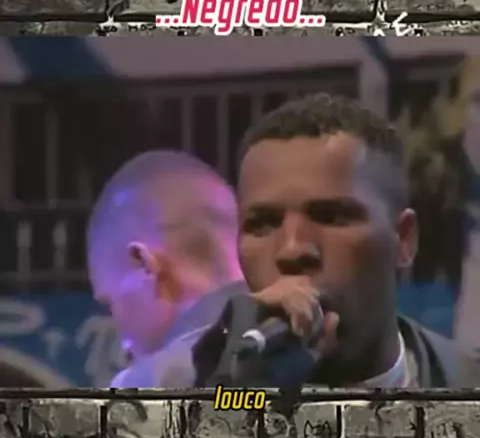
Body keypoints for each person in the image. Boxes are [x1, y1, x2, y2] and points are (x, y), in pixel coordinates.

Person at [147, 93, 480, 387]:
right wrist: (244, 397)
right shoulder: (163, 389)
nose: (292, 249)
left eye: (331, 217)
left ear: (403, 240)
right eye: (262, 225)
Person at [86, 150, 244, 387]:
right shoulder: (297, 343)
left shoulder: (146, 387)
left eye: (112, 304)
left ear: (145, 265)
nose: (125, 345)